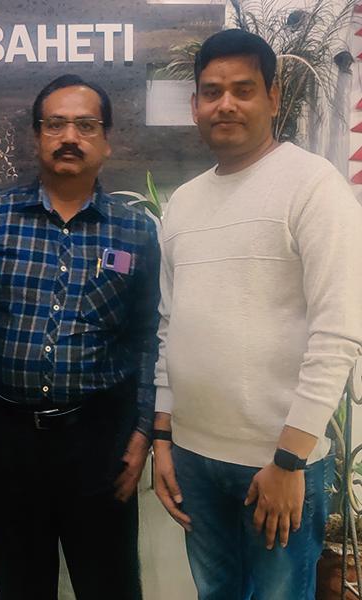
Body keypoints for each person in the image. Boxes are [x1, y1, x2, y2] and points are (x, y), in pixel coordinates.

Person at [151, 29, 362, 599]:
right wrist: (163, 439)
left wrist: (289, 461)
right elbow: (169, 327)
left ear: (273, 96)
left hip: (278, 464)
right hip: (194, 458)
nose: (225, 104)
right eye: (211, 92)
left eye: (243, 90)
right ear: (195, 105)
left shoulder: (312, 185)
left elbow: (338, 332)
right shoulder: (183, 202)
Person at [0, 74, 160, 599]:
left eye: (86, 125)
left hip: (99, 441)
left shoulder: (135, 231)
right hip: (9, 440)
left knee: (110, 586)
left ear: (107, 140)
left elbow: (149, 337)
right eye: (55, 125)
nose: (70, 137)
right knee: (22, 586)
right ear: (36, 137)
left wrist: (143, 430)